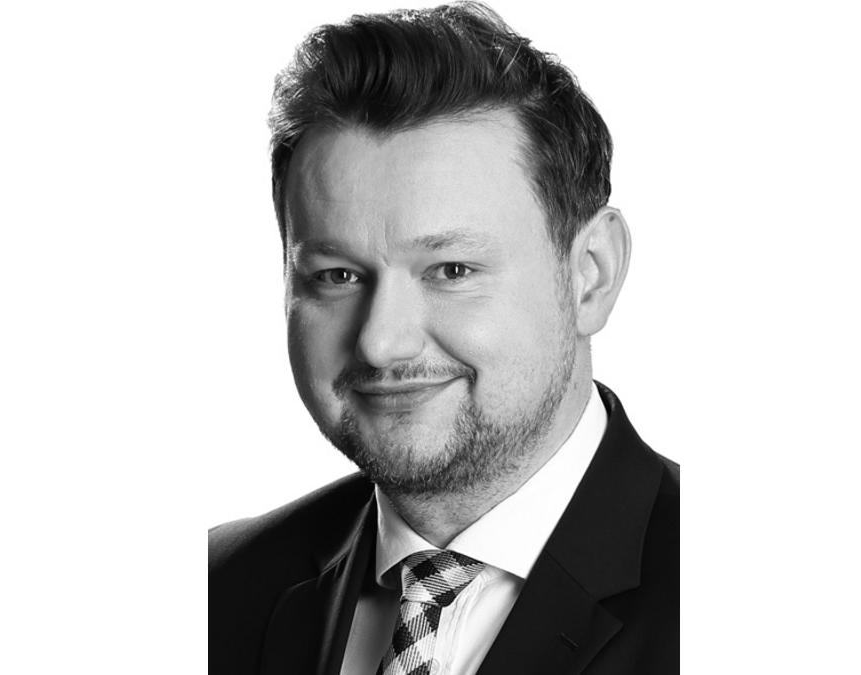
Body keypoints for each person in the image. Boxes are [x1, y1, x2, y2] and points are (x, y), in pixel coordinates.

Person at [209, 3, 679, 673]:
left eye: (451, 270)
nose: (381, 343)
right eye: (338, 275)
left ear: (590, 275)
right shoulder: (216, 590)